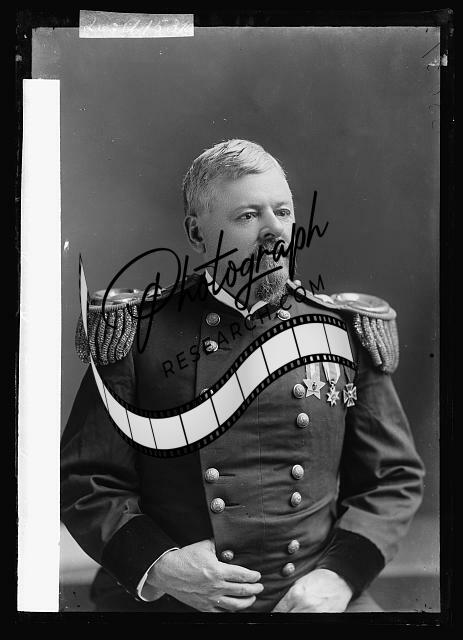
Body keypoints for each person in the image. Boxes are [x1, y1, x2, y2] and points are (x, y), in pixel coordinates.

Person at [61, 139, 425, 613]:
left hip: (314, 598)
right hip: (174, 600)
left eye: (283, 212)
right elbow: (87, 479)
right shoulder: (138, 333)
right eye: (248, 216)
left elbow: (392, 476)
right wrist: (161, 566)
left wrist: (340, 577)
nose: (275, 232)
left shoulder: (344, 331)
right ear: (197, 233)